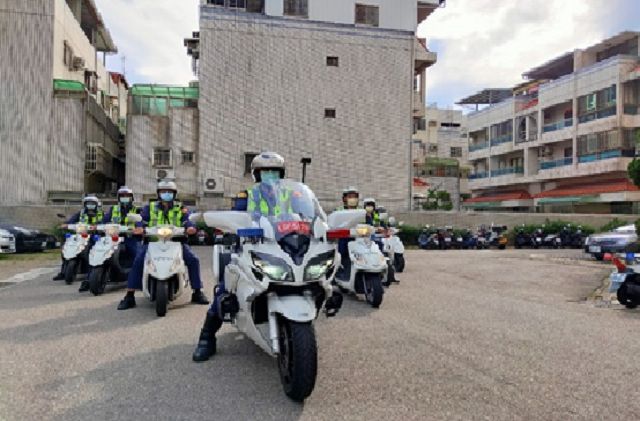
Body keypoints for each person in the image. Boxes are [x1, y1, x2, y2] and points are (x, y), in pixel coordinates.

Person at [192, 152, 287, 362]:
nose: (269, 176)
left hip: (283, 247)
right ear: (256, 175)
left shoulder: (290, 196)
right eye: (264, 172)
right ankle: (207, 337)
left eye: (274, 172)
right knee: (229, 287)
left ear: (281, 174)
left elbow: (304, 215)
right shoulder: (248, 195)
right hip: (250, 246)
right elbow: (236, 218)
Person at [116, 180, 209, 310]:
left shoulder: (180, 208)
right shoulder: (150, 207)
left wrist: (191, 228)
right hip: (153, 242)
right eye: (163, 192)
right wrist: (139, 228)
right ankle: (129, 296)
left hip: (176, 241)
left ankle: (197, 292)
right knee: (138, 260)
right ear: (158, 194)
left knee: (193, 259)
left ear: (174, 194)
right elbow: (142, 220)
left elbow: (187, 220)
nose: (166, 194)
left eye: (169, 192)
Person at [78, 187, 141, 292]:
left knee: (136, 254)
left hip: (129, 237)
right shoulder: (114, 209)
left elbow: (140, 221)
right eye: (122, 196)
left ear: (131, 198)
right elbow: (105, 220)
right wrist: (97, 226)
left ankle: (136, 280)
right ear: (118, 198)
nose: (124, 198)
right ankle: (89, 279)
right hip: (112, 237)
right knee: (94, 251)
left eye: (127, 196)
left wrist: (137, 228)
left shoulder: (137, 210)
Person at [52, 195, 104, 281]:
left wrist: (98, 227)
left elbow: (105, 223)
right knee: (66, 248)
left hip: (94, 236)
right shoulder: (81, 213)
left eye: (92, 203)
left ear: (97, 204)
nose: (90, 205)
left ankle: (91, 273)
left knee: (91, 250)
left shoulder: (101, 214)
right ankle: (63, 272)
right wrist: (66, 224)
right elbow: (72, 220)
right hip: (80, 236)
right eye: (88, 203)